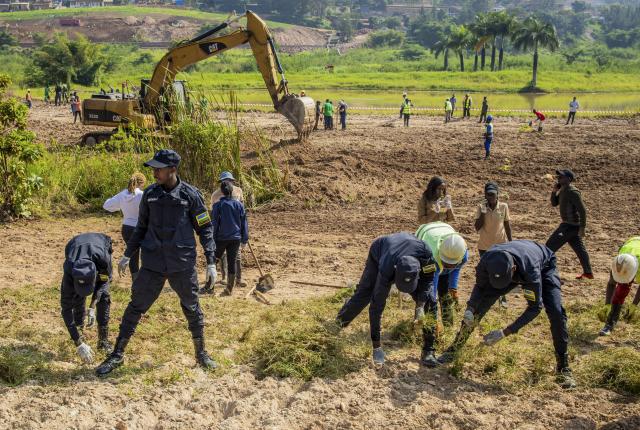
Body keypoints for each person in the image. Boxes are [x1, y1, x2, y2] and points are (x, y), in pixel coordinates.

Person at [95, 149, 218, 376]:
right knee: (135, 307)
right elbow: (140, 227)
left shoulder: (191, 196)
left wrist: (211, 261)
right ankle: (117, 354)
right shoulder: (149, 194)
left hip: (181, 263)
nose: (154, 172)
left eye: (158, 168)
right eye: (153, 168)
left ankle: (201, 354)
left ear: (172, 169)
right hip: (152, 263)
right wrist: (128, 254)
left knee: (192, 307)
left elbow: (206, 228)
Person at [436, 240, 576, 389]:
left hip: (542, 265)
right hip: (507, 270)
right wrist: (470, 309)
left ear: (513, 269)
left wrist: (505, 332)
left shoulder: (530, 270)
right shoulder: (486, 262)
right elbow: (480, 287)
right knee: (477, 309)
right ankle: (454, 349)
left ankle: (563, 367)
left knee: (556, 312)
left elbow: (535, 308)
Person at [335, 232, 439, 366]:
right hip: (380, 250)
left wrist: (420, 304)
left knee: (430, 301)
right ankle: (338, 323)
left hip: (408, 251)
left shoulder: (426, 256)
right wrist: (376, 346)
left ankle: (428, 350)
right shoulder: (387, 268)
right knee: (365, 293)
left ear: (418, 272)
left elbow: (429, 279)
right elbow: (376, 306)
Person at [61, 233, 114, 364]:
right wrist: (78, 342)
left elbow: (103, 282)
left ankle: (103, 341)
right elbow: (66, 309)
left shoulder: (103, 261)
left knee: (104, 296)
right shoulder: (69, 269)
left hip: (100, 244)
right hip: (74, 244)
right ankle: (80, 335)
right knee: (76, 298)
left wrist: (92, 306)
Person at [414, 222, 468, 328]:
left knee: (445, 294)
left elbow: (456, 269)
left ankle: (448, 326)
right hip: (424, 235)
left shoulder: (462, 253)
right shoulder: (431, 256)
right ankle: (425, 325)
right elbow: (431, 286)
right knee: (427, 296)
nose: (448, 266)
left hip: (444, 229)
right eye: (446, 263)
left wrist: (453, 288)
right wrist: (434, 320)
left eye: (451, 264)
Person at [203, 181, 249, 296]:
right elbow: (244, 223)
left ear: (222, 192)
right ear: (232, 191)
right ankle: (229, 289)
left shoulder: (218, 206)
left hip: (221, 238)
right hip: (235, 238)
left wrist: (212, 239)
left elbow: (215, 224)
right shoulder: (239, 205)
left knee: (213, 260)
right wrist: (244, 239)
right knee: (232, 262)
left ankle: (209, 286)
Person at [546, 169, 593, 280]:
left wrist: (582, 228)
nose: (559, 178)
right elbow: (554, 203)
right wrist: (554, 191)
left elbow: (582, 210)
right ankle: (588, 273)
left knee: (549, 247)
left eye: (561, 177)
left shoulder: (573, 192)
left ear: (569, 179)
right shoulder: (563, 190)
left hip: (570, 226)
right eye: (559, 177)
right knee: (580, 250)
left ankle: (545, 272)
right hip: (569, 226)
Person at [475, 182, 512, 306]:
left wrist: (510, 243)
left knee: (502, 271)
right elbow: (477, 227)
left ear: (497, 195)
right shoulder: (481, 207)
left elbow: (507, 224)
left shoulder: (503, 206)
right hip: (484, 246)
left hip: (500, 245)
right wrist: (484, 212)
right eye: (487, 194)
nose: (490, 197)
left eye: (492, 194)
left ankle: (502, 296)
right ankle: (488, 296)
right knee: (487, 272)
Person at [103, 173, 146, 280]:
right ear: (142, 183)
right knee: (146, 255)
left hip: (126, 228)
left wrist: (120, 206)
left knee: (132, 255)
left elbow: (106, 205)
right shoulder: (142, 194)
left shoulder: (122, 194)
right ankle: (145, 280)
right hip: (141, 228)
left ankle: (135, 281)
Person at [211, 171, 246, 287]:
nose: (227, 183)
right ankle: (224, 278)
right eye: (224, 181)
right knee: (222, 256)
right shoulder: (215, 195)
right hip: (223, 232)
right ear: (221, 183)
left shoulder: (238, 191)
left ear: (232, 181)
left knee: (236, 255)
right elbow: (215, 217)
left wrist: (243, 233)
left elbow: (242, 211)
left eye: (229, 180)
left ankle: (238, 279)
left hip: (235, 230)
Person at [599, 237, 640, 336]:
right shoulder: (619, 261)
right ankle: (610, 324)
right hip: (631, 244)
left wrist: (634, 305)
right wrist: (607, 304)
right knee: (621, 290)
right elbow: (611, 283)